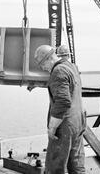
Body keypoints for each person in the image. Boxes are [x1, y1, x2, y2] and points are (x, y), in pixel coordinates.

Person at [34, 45, 86, 174]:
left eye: (41, 64)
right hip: (78, 122)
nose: (42, 68)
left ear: (48, 59)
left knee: (55, 167)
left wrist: (52, 127)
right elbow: (65, 86)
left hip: (65, 126)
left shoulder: (58, 71)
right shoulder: (71, 67)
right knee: (76, 165)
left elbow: (63, 101)